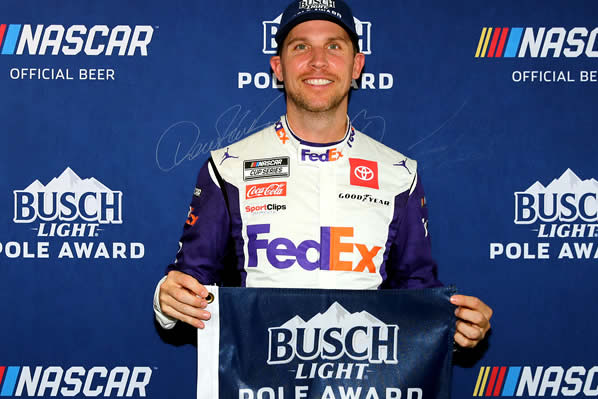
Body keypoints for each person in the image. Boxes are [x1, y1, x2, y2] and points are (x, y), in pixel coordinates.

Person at [153, 0, 492, 349]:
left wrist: (453, 330)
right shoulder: (228, 168)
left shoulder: (399, 174)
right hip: (258, 377)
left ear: (356, 65)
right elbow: (191, 281)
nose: (318, 61)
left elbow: (417, 293)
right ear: (278, 67)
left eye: (334, 46)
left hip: (362, 381)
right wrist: (167, 300)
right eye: (301, 47)